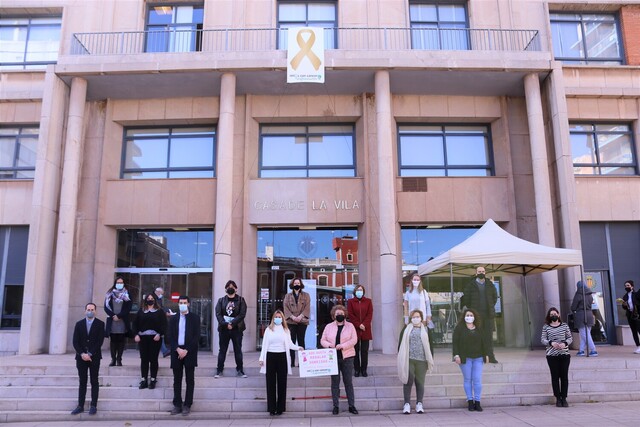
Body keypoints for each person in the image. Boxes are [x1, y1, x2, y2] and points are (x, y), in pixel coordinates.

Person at [258, 310, 303, 416]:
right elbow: (264, 345)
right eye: (276, 317)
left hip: (282, 357)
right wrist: (261, 358)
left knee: (282, 383)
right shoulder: (268, 330)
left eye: (279, 317)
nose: (278, 318)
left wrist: (298, 348)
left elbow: (290, 344)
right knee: (270, 383)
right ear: (273, 318)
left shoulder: (286, 330)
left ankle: (280, 408)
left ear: (282, 319)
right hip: (270, 356)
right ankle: (271, 408)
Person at [320, 304, 359, 415]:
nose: (339, 315)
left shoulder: (350, 326)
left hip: (347, 357)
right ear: (333, 315)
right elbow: (322, 340)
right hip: (333, 358)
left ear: (345, 314)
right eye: (337, 314)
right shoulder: (328, 327)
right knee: (335, 383)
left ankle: (351, 405)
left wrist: (343, 345)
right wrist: (329, 345)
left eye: (341, 313)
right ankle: (335, 406)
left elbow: (354, 340)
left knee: (348, 382)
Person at [397, 309, 434, 415]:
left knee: (420, 382)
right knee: (408, 381)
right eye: (413, 317)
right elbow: (400, 344)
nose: (415, 319)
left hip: (422, 361)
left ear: (421, 318)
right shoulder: (406, 329)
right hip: (409, 359)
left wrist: (430, 359)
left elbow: (430, 346)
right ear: (410, 319)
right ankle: (407, 404)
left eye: (417, 317)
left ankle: (419, 404)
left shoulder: (426, 330)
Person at [71, 303, 105, 415]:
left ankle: (93, 405)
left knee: (94, 381)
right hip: (81, 358)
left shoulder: (100, 324)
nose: (90, 311)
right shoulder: (79, 324)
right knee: (82, 381)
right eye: (88, 309)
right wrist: (82, 354)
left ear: (95, 311)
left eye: (92, 309)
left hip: (94, 357)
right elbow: (75, 341)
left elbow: (99, 341)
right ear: (85, 311)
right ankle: (80, 405)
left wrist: (90, 353)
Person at [168, 296, 200, 416]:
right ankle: (177, 404)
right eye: (180, 303)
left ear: (189, 304)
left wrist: (186, 350)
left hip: (189, 352)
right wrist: (177, 349)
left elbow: (196, 337)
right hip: (176, 351)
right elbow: (170, 336)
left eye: (184, 303)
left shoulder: (195, 318)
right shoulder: (173, 319)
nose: (182, 304)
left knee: (189, 379)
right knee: (177, 379)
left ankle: (187, 405)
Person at [452, 308, 488, 412]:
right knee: (468, 379)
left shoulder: (479, 328)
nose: (469, 317)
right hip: (465, 358)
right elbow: (455, 343)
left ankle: (477, 401)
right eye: (467, 315)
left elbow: (484, 343)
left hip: (478, 357)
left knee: (477, 379)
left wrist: (486, 354)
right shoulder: (459, 328)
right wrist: (456, 356)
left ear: (474, 317)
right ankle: (470, 401)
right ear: (464, 317)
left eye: (471, 315)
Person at [460, 267, 498, 363]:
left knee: (488, 337)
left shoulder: (490, 284)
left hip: (488, 314)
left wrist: (489, 306)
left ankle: (490, 357)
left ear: (485, 272)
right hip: (476, 315)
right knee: (477, 336)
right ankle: (479, 357)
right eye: (479, 272)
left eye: (483, 271)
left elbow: (494, 297)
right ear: (476, 273)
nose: (481, 273)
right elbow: (466, 299)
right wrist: (472, 309)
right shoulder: (470, 285)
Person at [132, 292, 167, 389]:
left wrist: (159, 333)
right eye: (148, 298)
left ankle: (153, 379)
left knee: (153, 359)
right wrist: (136, 334)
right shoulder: (141, 311)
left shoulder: (159, 311)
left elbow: (164, 324)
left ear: (155, 300)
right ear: (145, 300)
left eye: (152, 298)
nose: (150, 300)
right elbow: (135, 324)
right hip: (143, 338)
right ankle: (143, 379)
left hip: (155, 338)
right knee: (144, 359)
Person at [215, 280, 247, 378]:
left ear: (236, 289)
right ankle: (219, 370)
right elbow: (218, 314)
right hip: (224, 329)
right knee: (222, 350)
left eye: (233, 286)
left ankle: (240, 370)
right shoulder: (221, 300)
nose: (230, 288)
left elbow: (242, 314)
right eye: (229, 286)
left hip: (236, 329)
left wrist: (232, 323)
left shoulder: (241, 300)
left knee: (238, 350)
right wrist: (225, 324)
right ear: (225, 289)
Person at [541, 307, 572, 408]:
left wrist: (565, 343)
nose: (553, 316)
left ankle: (564, 398)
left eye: (555, 314)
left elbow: (570, 337)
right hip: (552, 355)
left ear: (558, 315)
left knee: (564, 377)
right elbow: (543, 339)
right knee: (555, 377)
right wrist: (551, 343)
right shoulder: (546, 327)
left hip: (564, 354)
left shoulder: (564, 326)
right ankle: (558, 398)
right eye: (551, 315)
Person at [403, 274, 435, 356]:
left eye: (417, 280)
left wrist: (428, 316)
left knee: (424, 337)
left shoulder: (424, 292)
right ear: (411, 280)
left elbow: (428, 305)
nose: (416, 281)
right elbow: (406, 306)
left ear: (420, 281)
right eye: (414, 279)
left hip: (423, 319)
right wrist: (406, 318)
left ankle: (426, 354)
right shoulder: (408, 293)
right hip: (412, 319)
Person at [283, 277, 310, 368]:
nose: (297, 285)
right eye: (295, 283)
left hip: (302, 322)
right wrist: (293, 317)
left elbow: (307, 308)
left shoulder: (306, 295)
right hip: (291, 322)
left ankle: (302, 362)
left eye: (298, 283)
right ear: (292, 285)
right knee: (292, 341)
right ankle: (291, 362)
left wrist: (300, 317)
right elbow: (285, 308)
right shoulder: (287, 296)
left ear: (301, 284)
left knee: (301, 341)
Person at [104, 277, 132, 366]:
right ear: (115, 283)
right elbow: (106, 307)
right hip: (112, 320)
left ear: (124, 283)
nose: (119, 284)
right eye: (118, 282)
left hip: (122, 320)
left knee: (121, 340)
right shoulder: (109, 294)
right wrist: (113, 316)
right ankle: (113, 359)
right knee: (113, 341)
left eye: (121, 282)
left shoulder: (127, 294)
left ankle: (119, 359)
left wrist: (119, 316)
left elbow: (128, 308)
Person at [347, 284, 373, 377]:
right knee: (355, 350)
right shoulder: (350, 302)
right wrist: (358, 324)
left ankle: (364, 370)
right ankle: (357, 369)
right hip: (355, 329)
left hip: (365, 329)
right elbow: (350, 314)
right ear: (355, 291)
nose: (359, 291)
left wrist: (364, 324)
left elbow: (369, 315)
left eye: (361, 290)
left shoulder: (368, 301)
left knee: (364, 351)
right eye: (358, 290)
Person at [570, 280, 598, 357]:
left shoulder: (578, 293)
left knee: (584, 334)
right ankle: (581, 350)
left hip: (580, 315)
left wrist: (573, 309)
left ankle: (593, 350)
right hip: (589, 314)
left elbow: (574, 306)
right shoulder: (590, 294)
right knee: (586, 334)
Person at [621, 280, 640, 354]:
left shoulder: (636, 294)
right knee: (634, 331)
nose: (626, 287)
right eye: (625, 286)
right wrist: (624, 305)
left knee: (639, 330)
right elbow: (625, 307)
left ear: (632, 286)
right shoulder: (625, 296)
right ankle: (638, 346)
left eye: (628, 285)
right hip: (630, 315)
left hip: (637, 315)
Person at [154, 286, 172, 358]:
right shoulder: (154, 298)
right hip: (155, 320)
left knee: (159, 335)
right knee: (159, 335)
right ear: (158, 292)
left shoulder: (158, 299)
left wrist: (167, 311)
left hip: (158, 319)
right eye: (161, 293)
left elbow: (162, 307)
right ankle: (164, 351)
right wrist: (165, 313)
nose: (162, 295)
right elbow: (158, 308)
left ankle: (164, 351)